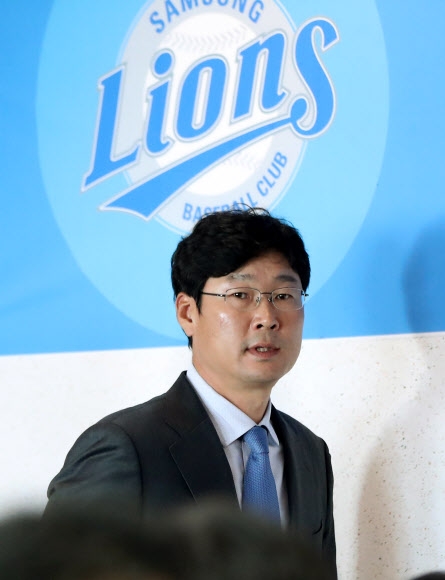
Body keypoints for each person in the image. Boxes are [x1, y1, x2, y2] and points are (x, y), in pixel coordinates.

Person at [45, 208, 336, 576]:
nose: (267, 317)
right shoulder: (126, 448)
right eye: (240, 294)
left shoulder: (310, 453)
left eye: (283, 295)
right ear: (187, 313)